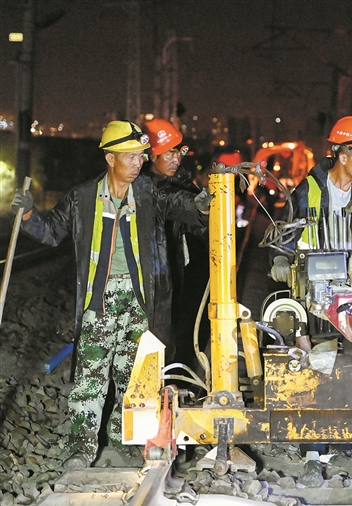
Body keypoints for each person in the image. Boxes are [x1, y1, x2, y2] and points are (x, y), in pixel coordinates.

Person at [11, 120, 210, 470]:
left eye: (141, 156)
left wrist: (205, 205)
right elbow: (52, 232)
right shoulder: (83, 198)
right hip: (99, 299)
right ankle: (81, 449)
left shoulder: (151, 193)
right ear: (110, 158)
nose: (139, 162)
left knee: (134, 380)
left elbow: (185, 206)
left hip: (140, 302)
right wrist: (28, 213)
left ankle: (123, 444)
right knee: (91, 377)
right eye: (131, 156)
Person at [269, 115, 352, 281]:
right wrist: (280, 258)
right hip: (314, 278)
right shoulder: (310, 188)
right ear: (344, 158)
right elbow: (286, 227)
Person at [143, 118, 207, 368]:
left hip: (175, 274)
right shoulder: (140, 188)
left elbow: (197, 224)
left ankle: (168, 379)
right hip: (147, 279)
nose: (176, 160)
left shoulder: (181, 183)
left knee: (173, 331)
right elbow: (171, 201)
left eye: (178, 153)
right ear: (151, 155)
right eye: (167, 155)